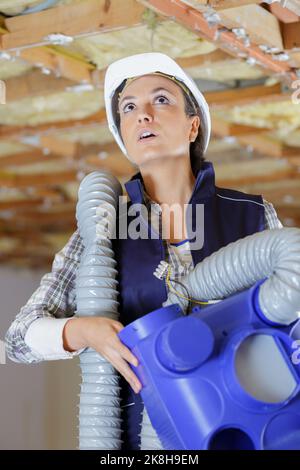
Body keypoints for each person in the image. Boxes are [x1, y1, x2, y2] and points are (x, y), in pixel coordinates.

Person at [5, 52, 282, 450]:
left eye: (161, 99)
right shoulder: (100, 229)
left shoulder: (253, 215)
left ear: (193, 126)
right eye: (129, 108)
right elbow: (18, 339)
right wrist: (81, 330)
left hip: (246, 431)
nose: (143, 115)